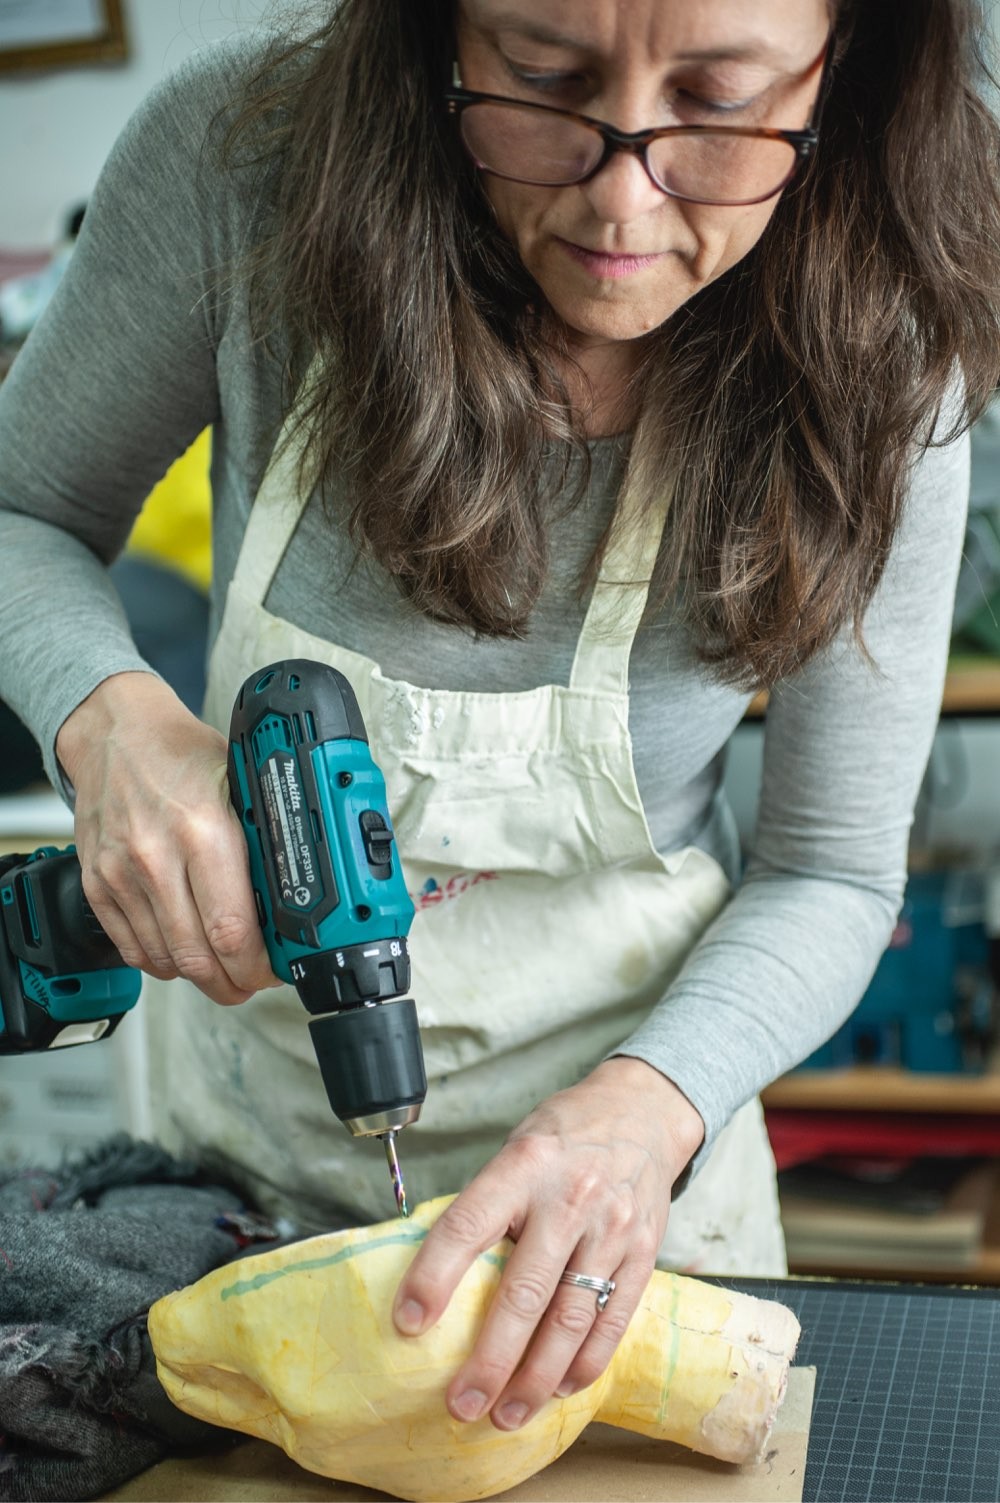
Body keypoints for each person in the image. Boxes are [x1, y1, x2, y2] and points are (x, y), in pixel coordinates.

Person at [0, 0, 998, 1444]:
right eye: (545, 78)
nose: (621, 194)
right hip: (241, 1184)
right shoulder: (244, 167)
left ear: (852, 66)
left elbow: (831, 873)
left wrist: (647, 1114)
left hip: (636, 1209)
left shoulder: (891, 340)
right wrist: (110, 723)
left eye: (717, 102)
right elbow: (24, 508)